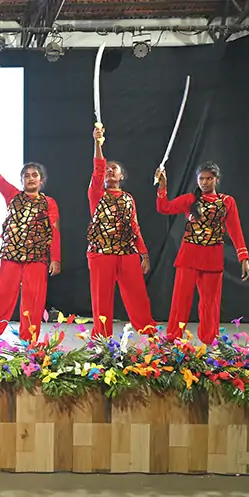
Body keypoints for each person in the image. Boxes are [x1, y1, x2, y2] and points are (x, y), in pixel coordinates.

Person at [156, 163, 249, 343]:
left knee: (210, 303)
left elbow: (235, 230)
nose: (205, 182)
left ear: (217, 179)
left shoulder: (227, 202)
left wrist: (244, 258)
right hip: (188, 257)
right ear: (197, 179)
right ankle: (173, 337)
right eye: (201, 178)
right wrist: (162, 186)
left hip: (212, 258)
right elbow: (165, 208)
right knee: (180, 301)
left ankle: (210, 339)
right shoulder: (191, 199)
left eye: (209, 178)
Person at [0, 139, 61, 342]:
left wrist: (55, 258)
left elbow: (54, 231)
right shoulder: (13, 196)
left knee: (33, 301)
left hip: (37, 258)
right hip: (11, 255)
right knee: (2, 297)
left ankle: (29, 342)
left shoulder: (49, 203)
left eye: (34, 175)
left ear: (41, 180)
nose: (30, 178)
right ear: (22, 180)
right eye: (26, 175)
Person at [86, 127, 155, 338]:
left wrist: (144, 254)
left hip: (127, 252)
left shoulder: (128, 198)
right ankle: (102, 337)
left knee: (138, 295)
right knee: (101, 298)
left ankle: (148, 331)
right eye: (107, 168)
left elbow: (135, 227)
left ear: (121, 175)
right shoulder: (96, 194)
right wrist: (98, 143)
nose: (109, 170)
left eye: (114, 168)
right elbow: (98, 169)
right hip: (101, 253)